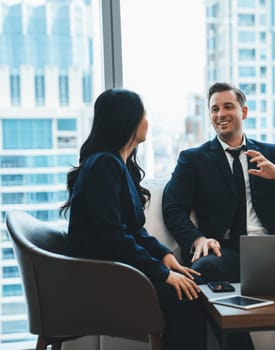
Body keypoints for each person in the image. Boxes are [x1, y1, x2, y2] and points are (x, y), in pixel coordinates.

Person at [162, 82, 275, 350]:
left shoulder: (270, 152)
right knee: (201, 270)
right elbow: (172, 208)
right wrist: (197, 239)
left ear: (244, 112)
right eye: (214, 109)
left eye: (228, 106)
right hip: (227, 252)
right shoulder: (193, 159)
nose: (220, 114)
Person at [61, 88, 203, 350]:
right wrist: (163, 275)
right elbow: (113, 236)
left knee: (191, 287)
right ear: (127, 120)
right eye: (144, 113)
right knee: (186, 296)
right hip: (98, 278)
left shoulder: (118, 164)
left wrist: (166, 259)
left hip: (114, 269)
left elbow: (134, 231)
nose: (148, 120)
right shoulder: (103, 165)